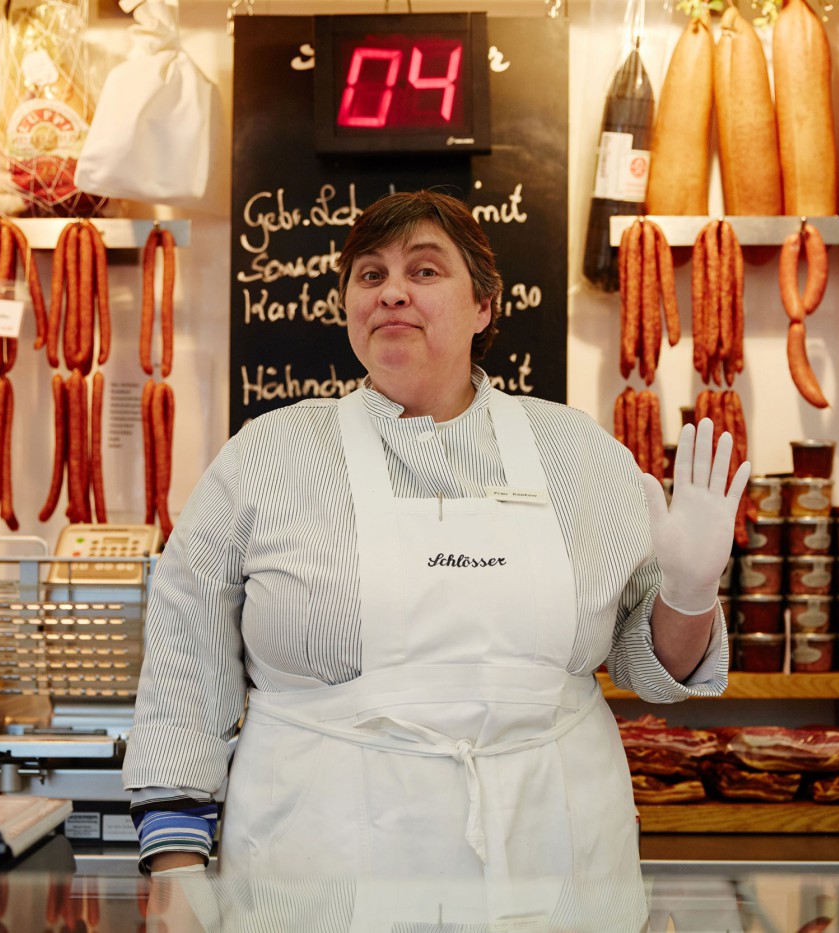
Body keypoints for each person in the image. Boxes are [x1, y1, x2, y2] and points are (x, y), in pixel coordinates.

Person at [122, 190, 751, 931]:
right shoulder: (265, 457)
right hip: (316, 880)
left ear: (485, 306)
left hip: (554, 873)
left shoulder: (581, 456)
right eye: (369, 274)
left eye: (424, 270)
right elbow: (183, 673)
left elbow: (657, 672)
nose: (391, 290)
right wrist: (175, 869)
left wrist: (690, 591)